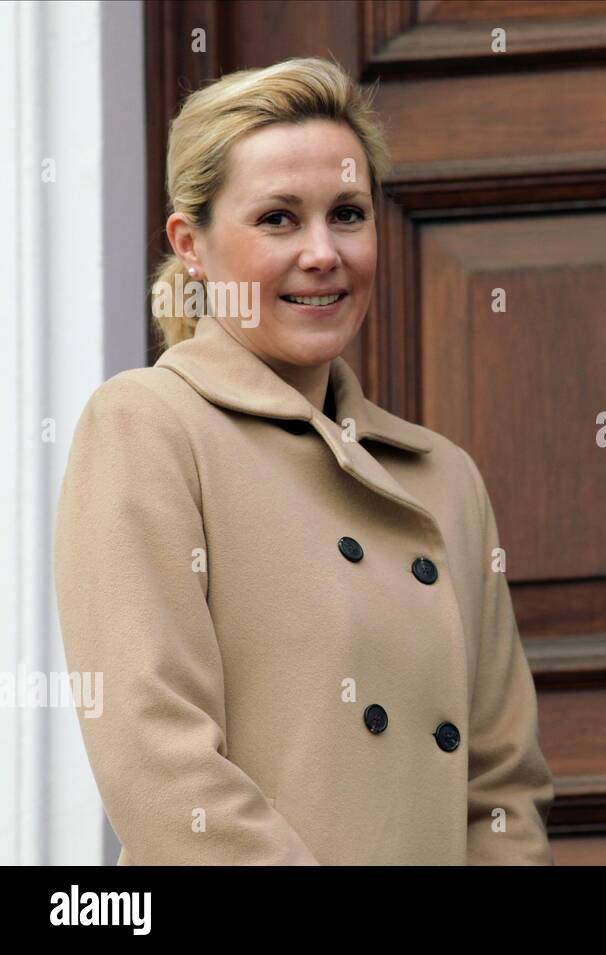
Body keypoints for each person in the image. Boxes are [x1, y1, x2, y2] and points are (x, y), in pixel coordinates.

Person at [54, 57, 553, 865]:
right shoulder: (147, 427)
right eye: (279, 218)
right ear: (193, 246)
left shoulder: (443, 478)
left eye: (347, 214)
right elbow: (160, 760)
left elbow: (504, 785)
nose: (323, 252)